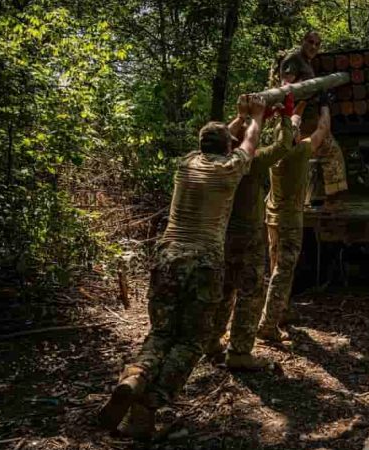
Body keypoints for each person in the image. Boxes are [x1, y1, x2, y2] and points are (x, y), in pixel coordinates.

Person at [97, 95, 267, 439]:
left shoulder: (186, 163)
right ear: (227, 146)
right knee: (191, 341)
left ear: (201, 144)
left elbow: (221, 138)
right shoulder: (229, 169)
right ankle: (148, 407)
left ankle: (136, 375)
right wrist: (256, 117)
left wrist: (237, 116)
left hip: (167, 256)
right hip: (203, 262)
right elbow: (249, 141)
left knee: (161, 332)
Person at [205, 92, 301, 370]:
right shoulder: (252, 162)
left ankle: (211, 341)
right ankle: (239, 351)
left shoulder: (210, 161)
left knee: (223, 288)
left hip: (221, 235)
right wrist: (285, 115)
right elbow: (284, 145)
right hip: (248, 235)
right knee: (250, 291)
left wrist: (243, 116)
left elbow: (218, 136)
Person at [256, 92, 333, 342]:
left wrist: (296, 104)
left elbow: (291, 126)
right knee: (283, 271)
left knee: (276, 264)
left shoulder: (273, 154)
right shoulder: (301, 153)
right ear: (295, 136)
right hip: (289, 221)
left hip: (273, 218)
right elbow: (323, 128)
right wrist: (324, 105)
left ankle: (282, 311)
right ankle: (268, 324)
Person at [280, 31, 348, 205]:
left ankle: (301, 198)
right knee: (331, 152)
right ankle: (333, 201)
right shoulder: (294, 59)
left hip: (310, 118)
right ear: (303, 41)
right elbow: (286, 88)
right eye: (311, 42)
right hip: (301, 120)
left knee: (310, 157)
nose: (314, 47)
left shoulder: (306, 63)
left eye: (317, 44)